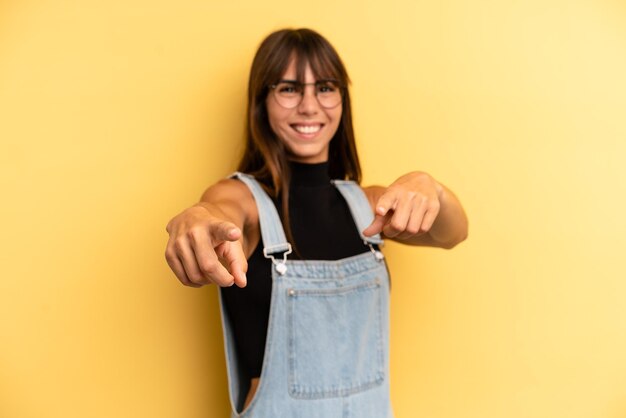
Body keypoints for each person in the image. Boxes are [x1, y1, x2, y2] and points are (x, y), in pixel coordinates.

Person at [165, 28, 468, 418]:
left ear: (342, 100)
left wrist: (433, 189)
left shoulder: (370, 206)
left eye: (325, 88)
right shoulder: (244, 200)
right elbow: (217, 211)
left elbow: (453, 233)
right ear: (262, 102)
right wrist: (198, 218)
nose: (309, 106)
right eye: (289, 89)